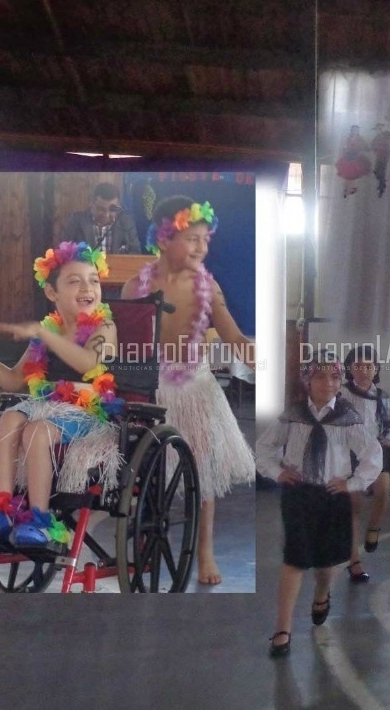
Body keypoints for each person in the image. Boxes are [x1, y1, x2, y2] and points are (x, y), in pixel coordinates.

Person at [121, 195, 255, 586]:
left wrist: (261, 366)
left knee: (201, 470)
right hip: (152, 385)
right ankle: (142, 531)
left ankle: (205, 552)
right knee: (146, 468)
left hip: (196, 387)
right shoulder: (136, 287)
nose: (202, 247)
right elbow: (128, 343)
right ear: (163, 240)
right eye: (192, 239)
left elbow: (232, 334)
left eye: (205, 239)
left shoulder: (207, 288)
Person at [0, 241, 123, 551]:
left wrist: (44, 334)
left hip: (86, 412)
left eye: (93, 280)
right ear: (52, 293)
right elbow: (12, 379)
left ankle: (39, 519)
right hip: (47, 406)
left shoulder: (106, 326)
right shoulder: (49, 328)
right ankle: (0, 508)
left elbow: (90, 364)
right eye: (74, 281)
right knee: (10, 416)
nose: (86, 287)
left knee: (37, 431)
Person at [256, 357, 383, 657]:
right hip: (299, 495)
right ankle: (283, 629)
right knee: (295, 558)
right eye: (321, 377)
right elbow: (264, 447)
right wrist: (277, 472)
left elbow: (371, 454)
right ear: (308, 381)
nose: (329, 383)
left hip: (331, 496)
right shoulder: (294, 415)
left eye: (335, 378)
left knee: (325, 565)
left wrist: (352, 483)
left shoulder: (347, 417)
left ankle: (322, 593)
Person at [338, 346, 390, 583]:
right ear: (349, 369)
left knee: (383, 492)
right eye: (358, 366)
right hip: (349, 453)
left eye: (369, 366)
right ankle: (354, 561)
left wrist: (389, 439)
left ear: (376, 369)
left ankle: (374, 527)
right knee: (352, 507)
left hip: (376, 451)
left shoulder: (382, 396)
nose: (364, 371)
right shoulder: (341, 394)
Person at [60, 182, 142, 254]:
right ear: (91, 202)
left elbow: (135, 253)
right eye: (101, 209)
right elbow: (64, 252)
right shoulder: (76, 221)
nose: (106, 214)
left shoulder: (126, 222)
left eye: (112, 209)